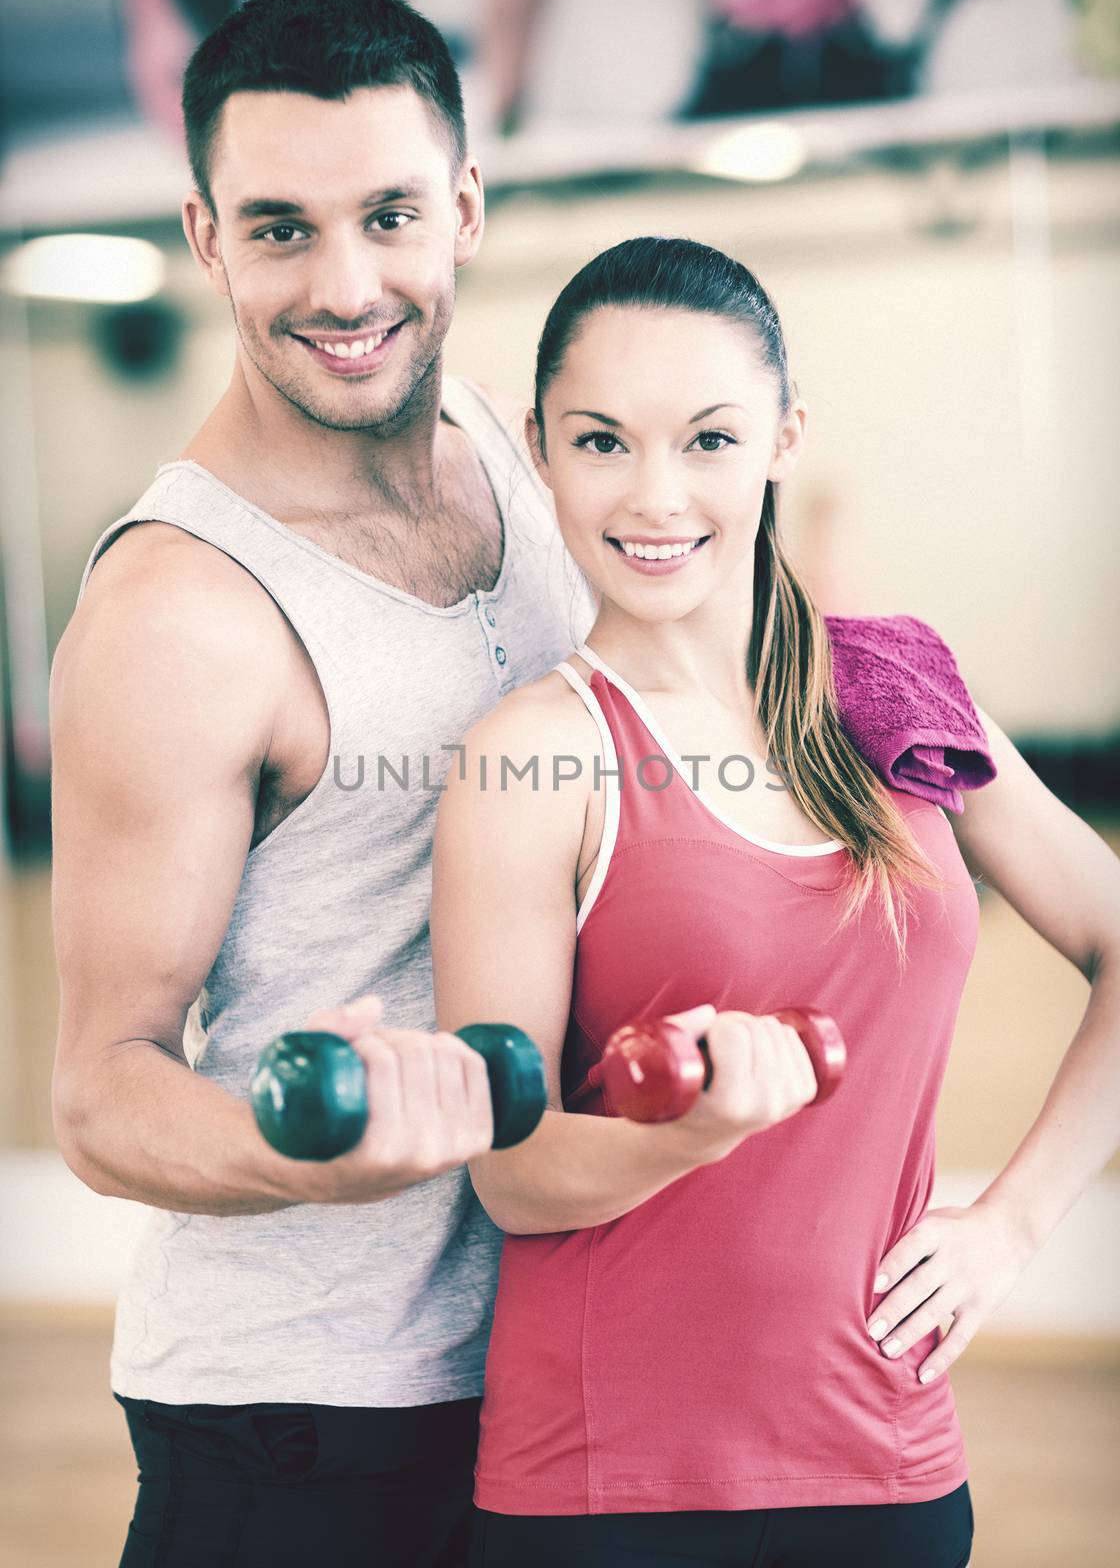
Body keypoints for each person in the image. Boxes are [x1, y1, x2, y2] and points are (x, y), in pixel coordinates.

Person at [430, 236, 1120, 1568]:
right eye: (601, 441)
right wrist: (691, 1137)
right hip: (610, 1487)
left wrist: (1013, 1222)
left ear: (784, 437)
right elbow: (511, 1173)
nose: (655, 493)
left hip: (889, 1458)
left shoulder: (898, 694)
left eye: (707, 438)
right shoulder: (530, 756)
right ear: (540, 449)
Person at [49, 0, 596, 1567]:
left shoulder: (515, 450)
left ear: (467, 211)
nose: (345, 284)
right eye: (281, 228)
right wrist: (312, 1153)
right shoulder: (181, 615)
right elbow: (102, 1092)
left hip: (550, 1367)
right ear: (208, 237)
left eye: (390, 216)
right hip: (305, 1421)